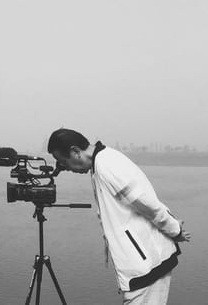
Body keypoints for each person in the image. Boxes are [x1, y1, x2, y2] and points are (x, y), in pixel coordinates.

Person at [47, 128, 191, 305]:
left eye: (63, 162)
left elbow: (147, 204)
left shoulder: (107, 165)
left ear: (75, 152)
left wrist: (174, 229)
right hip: (145, 263)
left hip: (147, 266)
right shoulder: (100, 163)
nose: (66, 168)